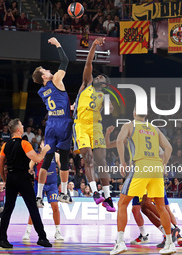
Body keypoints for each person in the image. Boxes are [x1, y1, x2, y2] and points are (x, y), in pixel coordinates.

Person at [111, 107, 175, 255]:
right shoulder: (154, 128)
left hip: (141, 166)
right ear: (146, 114)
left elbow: (120, 141)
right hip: (156, 168)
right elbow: (169, 148)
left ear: (134, 113)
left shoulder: (129, 125)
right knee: (161, 207)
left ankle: (120, 242)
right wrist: (163, 164)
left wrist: (122, 162)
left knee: (122, 203)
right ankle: (170, 243)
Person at [72, 37, 115, 212]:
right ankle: (95, 193)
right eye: (98, 75)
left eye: (101, 77)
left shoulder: (104, 96)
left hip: (96, 126)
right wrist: (94, 46)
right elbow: (88, 63)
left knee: (101, 161)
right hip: (81, 125)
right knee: (88, 159)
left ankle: (108, 197)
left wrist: (110, 108)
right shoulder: (87, 84)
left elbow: (110, 110)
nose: (98, 77)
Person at [0, 118, 52, 249]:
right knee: (32, 207)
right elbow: (38, 159)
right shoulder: (24, 143)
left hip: (10, 177)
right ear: (18, 129)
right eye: (21, 125)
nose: (23, 126)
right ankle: (42, 238)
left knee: (8, 209)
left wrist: (5, 179)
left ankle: (2, 239)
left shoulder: (5, 145)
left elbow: (0, 165)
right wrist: (45, 150)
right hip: (22, 177)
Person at [32, 37, 73, 207]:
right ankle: (63, 193)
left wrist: (68, 105)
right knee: (63, 160)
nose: (49, 69)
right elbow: (65, 61)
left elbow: (56, 102)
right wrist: (58, 44)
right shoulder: (56, 80)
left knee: (47, 161)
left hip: (51, 125)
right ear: (44, 76)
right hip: (63, 124)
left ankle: (39, 197)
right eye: (45, 69)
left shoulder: (42, 91)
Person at [23, 140, 64, 241]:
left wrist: (63, 185)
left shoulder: (56, 155)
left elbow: (63, 168)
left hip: (52, 184)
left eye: (48, 143)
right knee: (35, 207)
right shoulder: (37, 156)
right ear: (40, 146)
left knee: (55, 206)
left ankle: (58, 231)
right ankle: (28, 231)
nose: (46, 145)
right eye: (43, 143)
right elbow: (27, 168)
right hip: (39, 184)